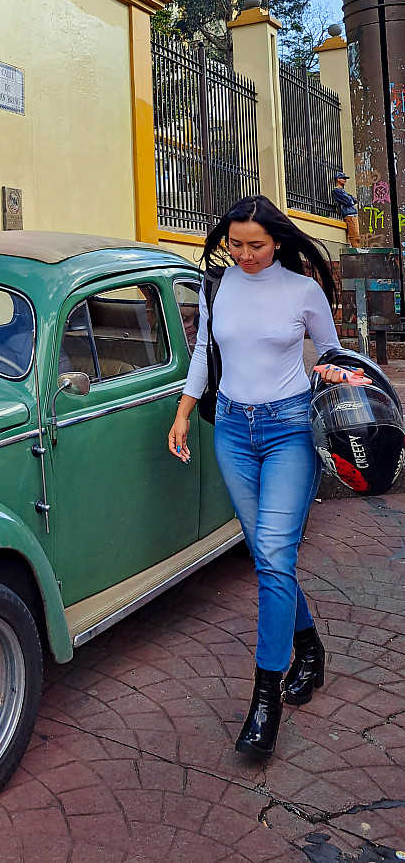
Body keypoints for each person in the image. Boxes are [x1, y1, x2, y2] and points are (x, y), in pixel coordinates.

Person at [167, 195, 367, 761]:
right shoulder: (217, 286)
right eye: (235, 244)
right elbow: (204, 353)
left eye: (255, 244)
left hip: (289, 431)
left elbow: (331, 354)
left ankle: (264, 702)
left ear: (277, 240)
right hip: (231, 430)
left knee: (274, 559)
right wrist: (183, 413)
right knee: (267, 556)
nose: (245, 254)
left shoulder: (302, 292)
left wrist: (335, 371)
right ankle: (310, 648)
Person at [331, 172, 362, 247]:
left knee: (357, 236)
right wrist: (350, 199)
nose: (345, 180)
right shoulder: (337, 191)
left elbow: (354, 200)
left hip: (352, 215)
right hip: (349, 215)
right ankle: (358, 252)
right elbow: (349, 201)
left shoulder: (342, 191)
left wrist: (350, 198)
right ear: (338, 179)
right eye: (343, 178)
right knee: (355, 237)